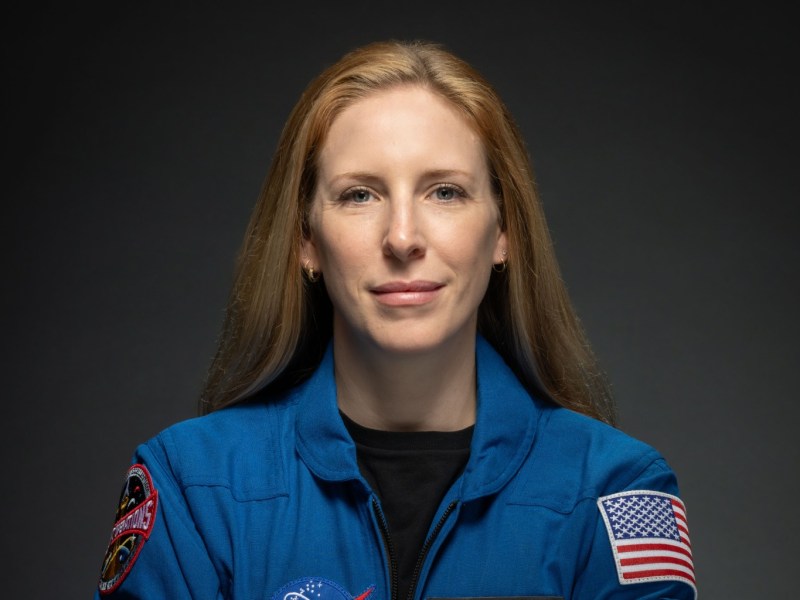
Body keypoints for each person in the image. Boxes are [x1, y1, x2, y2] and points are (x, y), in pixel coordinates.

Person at [95, 40, 696, 599]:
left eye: (445, 192)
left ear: (504, 232)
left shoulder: (616, 489)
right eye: (360, 194)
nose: (403, 237)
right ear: (306, 239)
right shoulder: (193, 485)